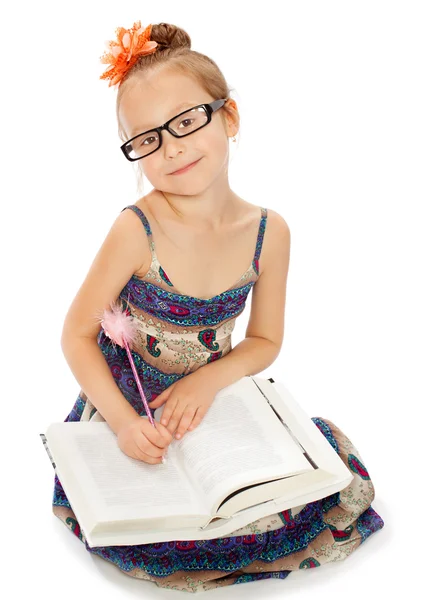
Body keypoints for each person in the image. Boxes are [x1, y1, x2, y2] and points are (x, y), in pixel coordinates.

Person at [52, 19, 384, 594]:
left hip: (213, 411)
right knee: (154, 520)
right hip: (132, 405)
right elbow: (77, 335)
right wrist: (129, 427)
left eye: (185, 121)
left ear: (228, 117)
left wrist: (208, 384)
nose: (172, 146)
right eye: (148, 138)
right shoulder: (136, 229)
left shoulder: (269, 232)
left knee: (294, 491)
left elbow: (264, 341)